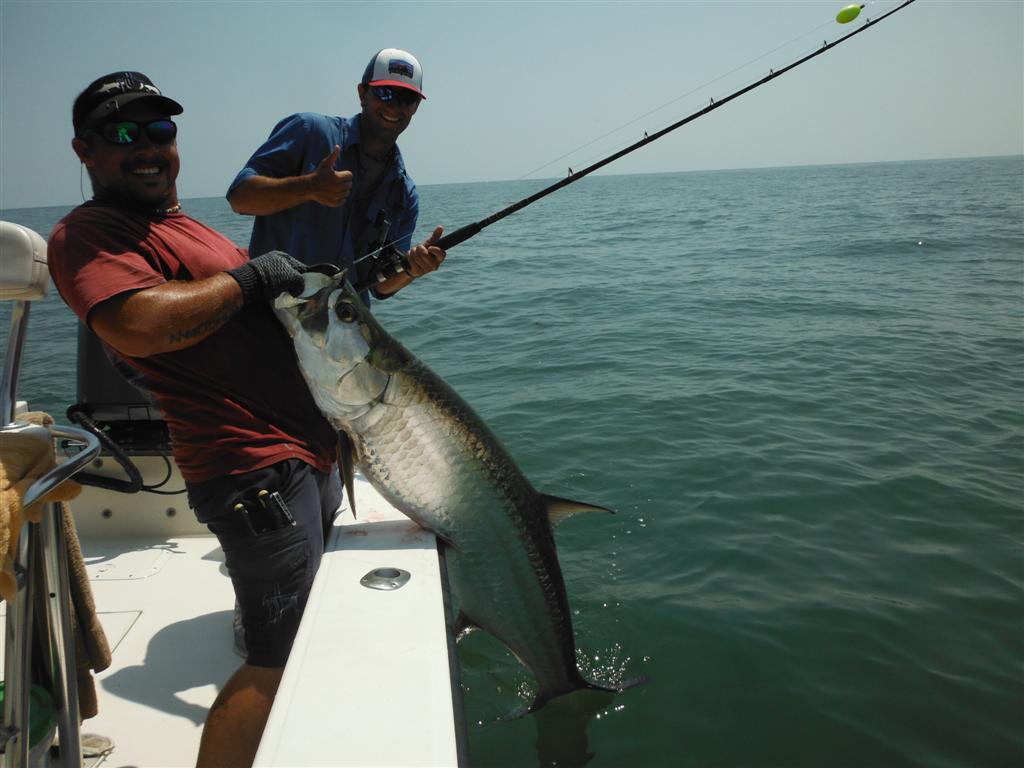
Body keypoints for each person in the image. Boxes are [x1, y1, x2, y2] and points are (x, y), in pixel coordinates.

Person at [47, 71, 336, 768]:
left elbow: (235, 316)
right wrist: (249, 278)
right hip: (250, 466)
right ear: (83, 150)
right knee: (279, 660)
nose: (146, 147)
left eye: (159, 130)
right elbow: (138, 325)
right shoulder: (88, 232)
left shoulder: (181, 227)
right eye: (122, 134)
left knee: (312, 635)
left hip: (299, 454)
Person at [227, 47, 445, 298]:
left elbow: (380, 286)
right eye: (385, 93)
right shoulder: (308, 131)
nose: (394, 106)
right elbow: (239, 198)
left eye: (407, 99)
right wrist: (308, 187)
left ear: (416, 107)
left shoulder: (405, 193)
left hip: (340, 329)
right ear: (362, 93)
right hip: (270, 321)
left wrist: (412, 269)